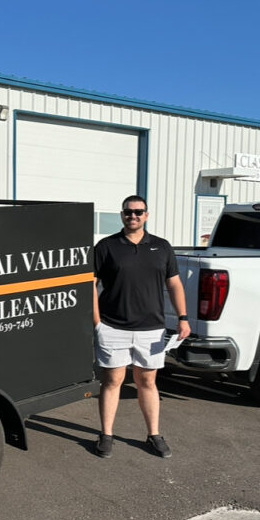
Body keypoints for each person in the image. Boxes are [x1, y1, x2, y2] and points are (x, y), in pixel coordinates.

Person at [92, 195, 191, 459]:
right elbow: (90, 284)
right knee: (112, 380)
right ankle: (106, 434)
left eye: (138, 212)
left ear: (147, 215)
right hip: (113, 327)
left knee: (147, 381)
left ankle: (154, 435)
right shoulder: (106, 246)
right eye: (128, 212)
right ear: (122, 215)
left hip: (152, 329)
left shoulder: (162, 247)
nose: (133, 216)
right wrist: (97, 322)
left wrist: (183, 317)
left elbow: (174, 284)